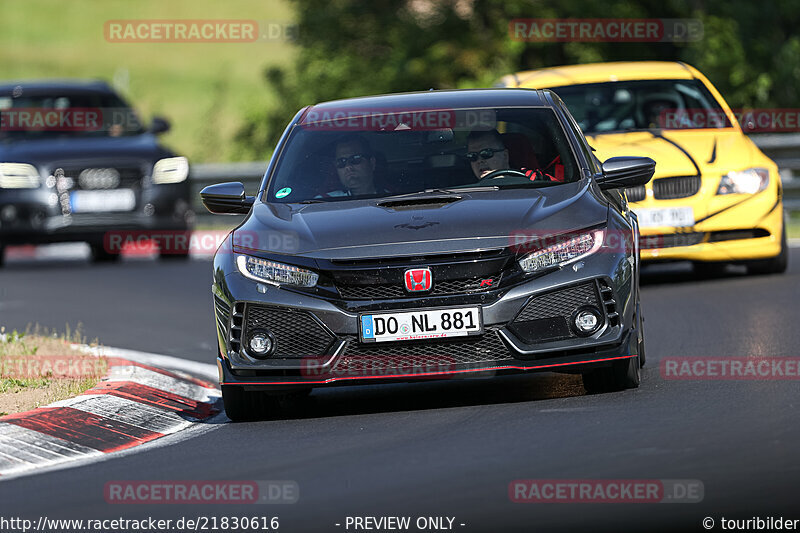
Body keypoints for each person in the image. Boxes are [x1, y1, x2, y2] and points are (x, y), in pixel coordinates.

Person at [466, 128, 562, 182]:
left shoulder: (534, 179)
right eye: (472, 156)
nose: (479, 160)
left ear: (505, 155)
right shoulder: (459, 189)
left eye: (486, 153)